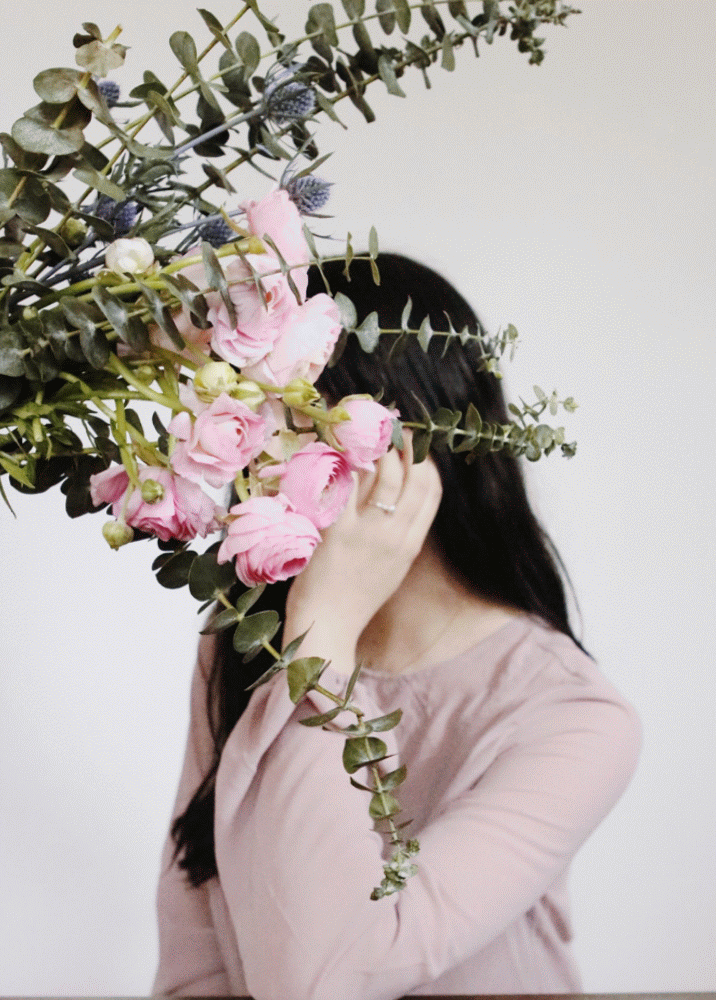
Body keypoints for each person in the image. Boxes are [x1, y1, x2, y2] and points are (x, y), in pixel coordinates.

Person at [152, 254, 641, 999]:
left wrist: (322, 638)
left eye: (290, 426)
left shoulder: (574, 717)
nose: (255, 471)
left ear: (405, 447)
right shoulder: (243, 639)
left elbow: (327, 979)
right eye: (251, 429)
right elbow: (194, 964)